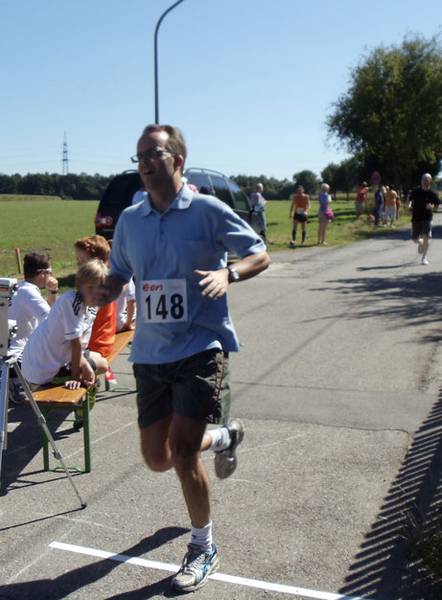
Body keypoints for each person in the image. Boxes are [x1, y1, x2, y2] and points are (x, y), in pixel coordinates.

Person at [95, 124, 270, 593]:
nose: (144, 162)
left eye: (153, 153)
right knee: (159, 457)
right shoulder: (131, 219)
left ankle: (202, 546)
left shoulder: (208, 210)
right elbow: (119, 272)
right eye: (139, 156)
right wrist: (103, 289)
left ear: (177, 159)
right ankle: (226, 435)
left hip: (200, 345)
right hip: (151, 353)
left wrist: (228, 274)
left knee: (185, 453)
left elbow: (259, 254)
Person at [21, 259, 108, 390]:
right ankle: (69, 384)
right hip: (42, 370)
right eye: (91, 288)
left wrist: (85, 365)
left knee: (98, 358)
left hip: (51, 360)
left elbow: (78, 347)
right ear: (80, 285)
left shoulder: (90, 305)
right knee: (103, 364)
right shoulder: (72, 301)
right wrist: (75, 377)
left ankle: (85, 389)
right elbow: (76, 343)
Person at [8, 252, 59, 402]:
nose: (51, 275)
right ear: (42, 274)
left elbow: (47, 314)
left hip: (7, 352)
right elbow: (52, 321)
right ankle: (19, 382)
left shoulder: (18, 287)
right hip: (18, 358)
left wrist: (52, 292)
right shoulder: (29, 292)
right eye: (50, 272)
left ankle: (15, 381)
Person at [74, 236, 117, 385]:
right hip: (102, 341)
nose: (78, 265)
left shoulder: (96, 288)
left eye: (82, 261)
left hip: (96, 346)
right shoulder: (105, 280)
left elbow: (77, 327)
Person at [408, 173, 440, 265]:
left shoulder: (432, 193)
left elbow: (437, 204)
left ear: (430, 181)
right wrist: (409, 206)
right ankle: (421, 243)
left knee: (426, 236)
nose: (425, 181)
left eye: (427, 180)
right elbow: (410, 200)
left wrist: (432, 206)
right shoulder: (415, 191)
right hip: (416, 217)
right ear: (421, 181)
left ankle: (424, 257)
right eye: (424, 179)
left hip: (427, 217)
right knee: (414, 238)